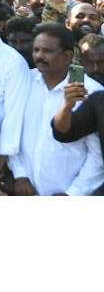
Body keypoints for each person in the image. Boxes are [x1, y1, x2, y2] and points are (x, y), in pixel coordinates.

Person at [10, 23, 104, 196]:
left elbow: (97, 154)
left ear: (67, 56)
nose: (39, 56)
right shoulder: (22, 81)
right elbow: (11, 131)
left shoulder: (92, 92)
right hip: (24, 190)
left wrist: (74, 193)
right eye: (36, 50)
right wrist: (20, 175)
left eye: (47, 51)